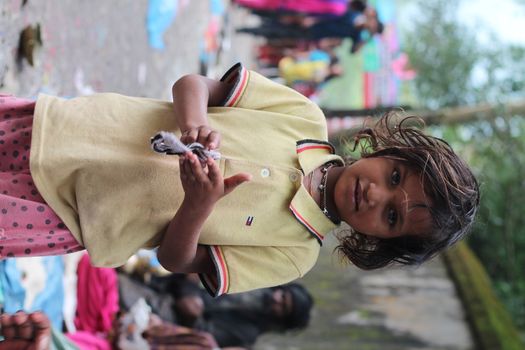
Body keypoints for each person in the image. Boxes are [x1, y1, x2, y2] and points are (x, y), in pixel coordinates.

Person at [0, 62, 479, 297]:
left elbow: (176, 259)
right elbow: (191, 85)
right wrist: (192, 123)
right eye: (393, 176)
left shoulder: (294, 255)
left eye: (391, 215)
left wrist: (197, 206)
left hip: (75, 217)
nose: (376, 194)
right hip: (75, 130)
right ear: (386, 151)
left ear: (379, 241)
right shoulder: (303, 118)